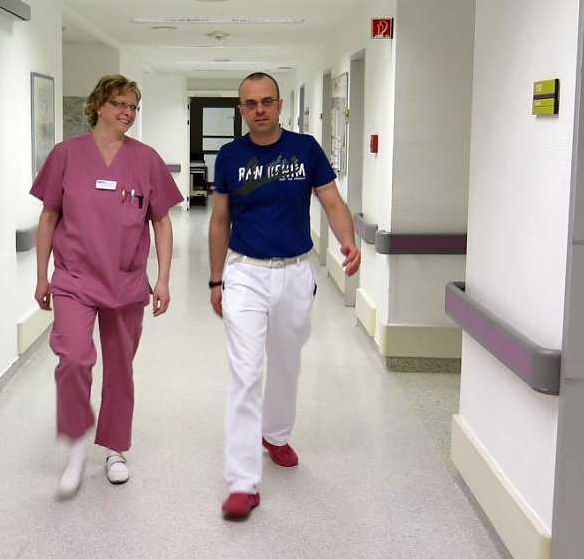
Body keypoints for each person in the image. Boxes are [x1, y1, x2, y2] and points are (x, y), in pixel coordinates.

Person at [208, 72, 360, 520]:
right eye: (250, 103)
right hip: (246, 274)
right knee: (245, 372)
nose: (259, 110)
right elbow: (219, 221)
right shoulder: (230, 156)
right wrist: (216, 280)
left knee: (287, 361)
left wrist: (348, 241)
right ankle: (241, 481)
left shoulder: (305, 148)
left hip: (295, 271)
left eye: (266, 101)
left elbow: (331, 201)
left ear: (278, 106)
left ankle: (275, 434)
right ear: (241, 109)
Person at [31, 74, 183, 499]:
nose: (127, 113)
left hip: (126, 279)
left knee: (120, 367)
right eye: (120, 104)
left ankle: (115, 448)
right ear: (98, 105)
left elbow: (162, 222)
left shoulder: (146, 159)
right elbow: (48, 217)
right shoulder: (66, 155)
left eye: (133, 107)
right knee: (74, 360)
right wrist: (42, 275)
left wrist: (164, 278)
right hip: (75, 278)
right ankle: (76, 447)